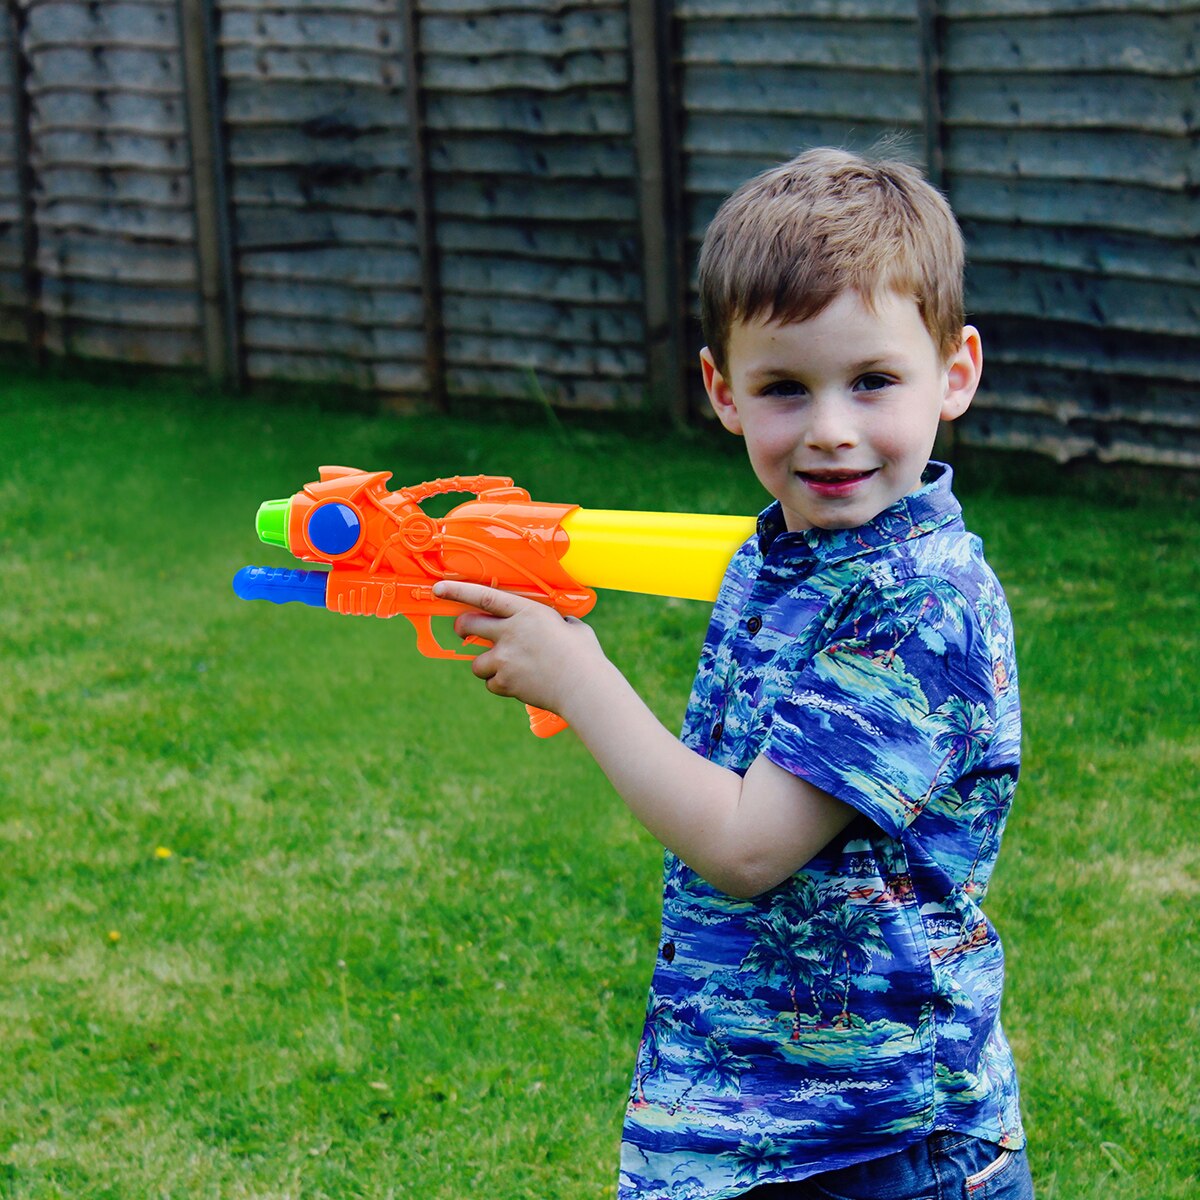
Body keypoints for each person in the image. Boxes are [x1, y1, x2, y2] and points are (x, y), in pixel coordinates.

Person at [434, 147, 1033, 1200]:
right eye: (785, 389)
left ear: (956, 373)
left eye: (873, 381)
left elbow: (750, 847)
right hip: (756, 1099)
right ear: (724, 391)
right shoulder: (780, 553)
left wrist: (580, 680)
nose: (832, 431)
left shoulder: (920, 607)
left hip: (875, 1136)